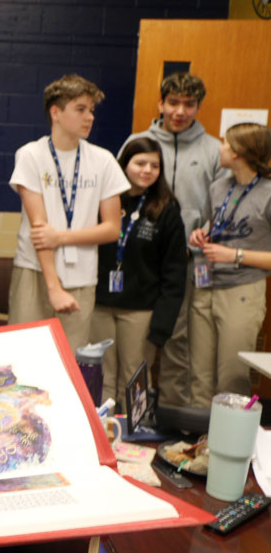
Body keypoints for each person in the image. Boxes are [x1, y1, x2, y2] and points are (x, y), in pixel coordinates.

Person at [120, 72, 227, 406]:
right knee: (133, 340)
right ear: (160, 103)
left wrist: (202, 233)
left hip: (186, 261)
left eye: (189, 104)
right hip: (138, 259)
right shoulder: (138, 142)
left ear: (198, 107)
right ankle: (131, 411)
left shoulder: (213, 150)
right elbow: (117, 195)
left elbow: (222, 205)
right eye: (173, 103)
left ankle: (172, 413)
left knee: (176, 339)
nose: (180, 111)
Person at [7, 74, 129, 351]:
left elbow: (111, 228)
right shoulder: (31, 155)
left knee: (70, 359)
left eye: (92, 111)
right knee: (24, 357)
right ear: (56, 112)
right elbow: (40, 230)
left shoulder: (103, 160)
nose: (90, 118)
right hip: (35, 271)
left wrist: (61, 237)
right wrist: (53, 288)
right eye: (81, 109)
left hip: (82, 275)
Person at [90, 137, 187, 411]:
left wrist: (161, 327)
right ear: (124, 164)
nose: (147, 170)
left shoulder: (166, 209)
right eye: (140, 163)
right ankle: (102, 435)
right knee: (103, 376)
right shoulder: (105, 201)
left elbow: (175, 272)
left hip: (140, 311)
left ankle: (135, 437)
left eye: (154, 165)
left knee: (135, 378)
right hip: (100, 305)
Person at [188, 122, 271, 406]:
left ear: (240, 153)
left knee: (231, 378)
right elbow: (214, 226)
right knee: (199, 375)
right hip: (205, 284)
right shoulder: (218, 187)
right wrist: (201, 234)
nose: (220, 147)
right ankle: (198, 444)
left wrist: (234, 255)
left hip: (242, 290)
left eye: (226, 143)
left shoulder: (268, 193)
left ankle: (231, 446)